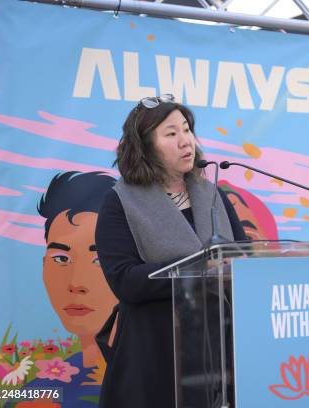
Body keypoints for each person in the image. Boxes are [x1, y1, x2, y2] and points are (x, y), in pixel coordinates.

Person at [95, 94, 245, 408]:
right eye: (171, 133)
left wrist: (240, 267)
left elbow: (247, 259)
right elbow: (125, 280)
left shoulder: (213, 194)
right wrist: (201, 269)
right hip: (155, 358)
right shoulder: (120, 201)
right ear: (145, 146)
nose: (185, 141)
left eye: (187, 129)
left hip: (221, 354)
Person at [30, 171, 119, 406]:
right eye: (61, 259)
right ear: (43, 265)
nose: (76, 283)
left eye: (99, 259)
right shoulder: (38, 392)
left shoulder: (161, 373)